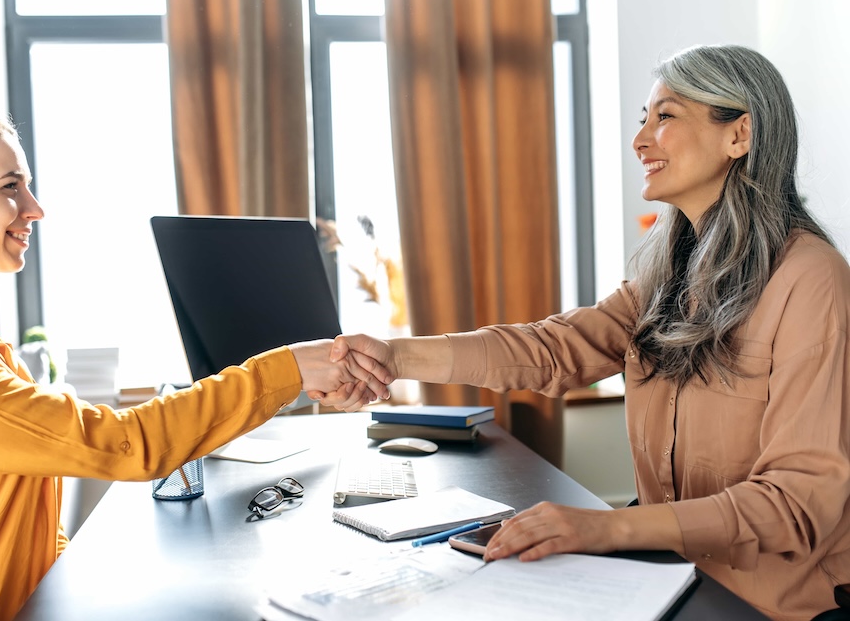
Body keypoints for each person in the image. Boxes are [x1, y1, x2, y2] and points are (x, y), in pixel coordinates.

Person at [333, 44, 850, 621]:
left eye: (666, 117)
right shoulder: (668, 272)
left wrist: (609, 528)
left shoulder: (812, 280)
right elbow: (553, 350)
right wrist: (393, 356)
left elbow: (798, 503)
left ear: (740, 134)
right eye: (643, 120)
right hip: (666, 578)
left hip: (770, 603)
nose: (641, 141)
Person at [0, 100, 391, 621]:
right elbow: (122, 442)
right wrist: (290, 367)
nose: (35, 208)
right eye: (10, 187)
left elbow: (17, 511)